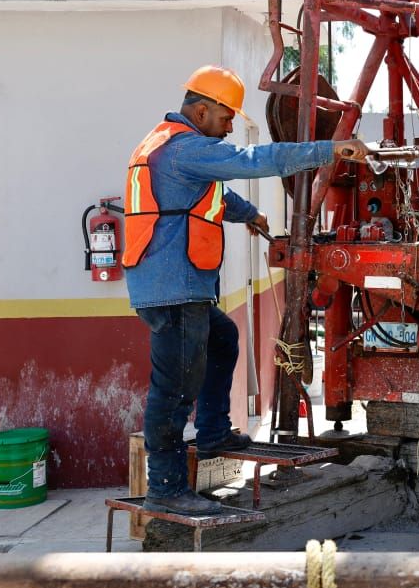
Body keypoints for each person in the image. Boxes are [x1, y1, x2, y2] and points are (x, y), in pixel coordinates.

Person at [124, 65, 369, 516]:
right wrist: (328, 150)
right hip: (174, 290)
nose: (231, 125)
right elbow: (252, 161)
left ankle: (215, 430)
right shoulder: (186, 148)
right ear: (201, 110)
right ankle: (166, 487)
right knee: (175, 390)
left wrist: (250, 213)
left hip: (172, 285)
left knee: (223, 338)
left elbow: (208, 195)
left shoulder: (165, 145)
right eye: (226, 116)